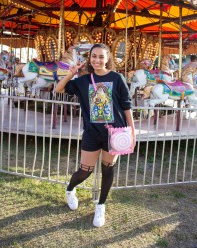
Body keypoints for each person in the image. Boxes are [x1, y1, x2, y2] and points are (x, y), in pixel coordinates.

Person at [55, 43, 136, 227]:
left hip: (114, 133)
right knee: (85, 171)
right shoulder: (83, 81)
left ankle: (101, 205)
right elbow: (59, 89)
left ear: (108, 58)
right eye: (94, 56)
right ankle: (70, 189)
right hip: (92, 133)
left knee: (108, 170)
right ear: (89, 59)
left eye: (101, 56)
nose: (97, 60)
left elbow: (126, 106)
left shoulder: (117, 78)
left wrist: (132, 131)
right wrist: (71, 73)